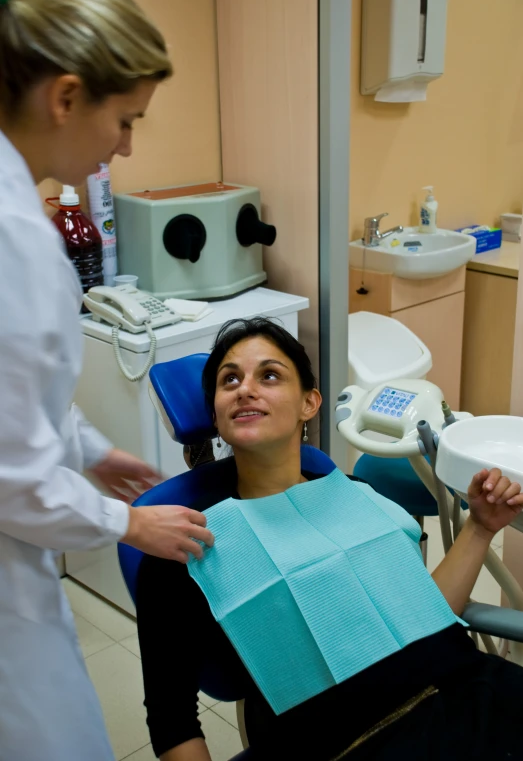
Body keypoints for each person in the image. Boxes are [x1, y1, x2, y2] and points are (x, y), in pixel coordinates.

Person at [136, 318, 523, 761]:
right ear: (217, 411)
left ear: (309, 403)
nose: (245, 389)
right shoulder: (186, 546)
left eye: (269, 375)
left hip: (476, 695)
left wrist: (479, 527)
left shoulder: (361, 497)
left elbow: (425, 615)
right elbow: (173, 723)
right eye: (230, 380)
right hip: (348, 745)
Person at [0, 0, 214, 759]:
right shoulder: (13, 234)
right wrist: (129, 523)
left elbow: (15, 398)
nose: (124, 146)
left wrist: (88, 449)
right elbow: (10, 470)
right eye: (124, 120)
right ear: (64, 96)